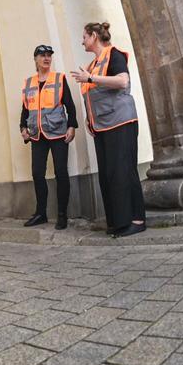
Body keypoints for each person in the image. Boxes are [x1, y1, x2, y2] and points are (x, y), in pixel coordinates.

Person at [70, 22, 145, 238]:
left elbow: (122, 81)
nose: (82, 40)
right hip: (102, 127)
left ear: (94, 36)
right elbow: (93, 96)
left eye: (84, 36)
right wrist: (88, 119)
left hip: (121, 122)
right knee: (109, 175)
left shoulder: (114, 55)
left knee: (124, 171)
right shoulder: (92, 65)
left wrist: (91, 78)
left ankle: (137, 220)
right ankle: (118, 222)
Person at [19, 44, 78, 230]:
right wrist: (22, 127)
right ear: (35, 59)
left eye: (49, 55)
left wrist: (72, 126)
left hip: (58, 132)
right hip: (37, 135)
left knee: (61, 172)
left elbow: (70, 105)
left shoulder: (59, 79)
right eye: (42, 55)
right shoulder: (28, 83)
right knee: (37, 173)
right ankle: (41, 213)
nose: (46, 58)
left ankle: (62, 215)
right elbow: (25, 109)